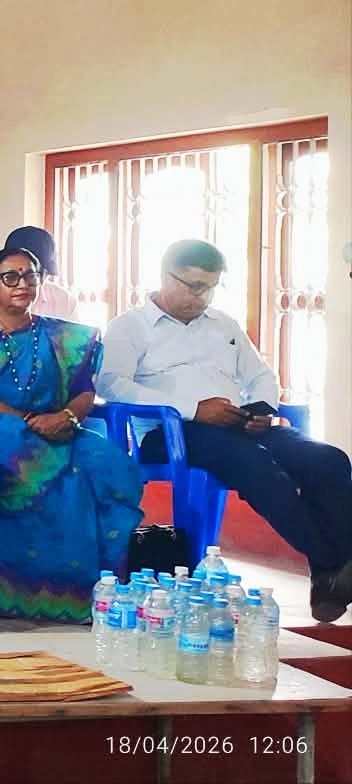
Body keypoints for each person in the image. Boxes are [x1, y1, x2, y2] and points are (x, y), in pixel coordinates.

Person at [98, 239, 352, 623]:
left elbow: (260, 376)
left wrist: (261, 408)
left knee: (328, 460)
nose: (201, 297)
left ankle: (328, 578)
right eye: (193, 286)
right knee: (253, 462)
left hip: (238, 425)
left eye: (210, 287)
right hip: (172, 433)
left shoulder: (223, 325)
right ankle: (336, 562)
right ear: (165, 276)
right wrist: (192, 409)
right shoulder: (130, 327)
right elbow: (112, 385)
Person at [0, 248, 142, 622]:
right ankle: (42, 594)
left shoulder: (61, 336)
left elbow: (84, 391)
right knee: (52, 472)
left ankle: (109, 588)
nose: (22, 284)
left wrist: (65, 416)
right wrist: (28, 420)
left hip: (60, 426)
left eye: (30, 276)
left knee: (107, 462)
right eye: (10, 277)